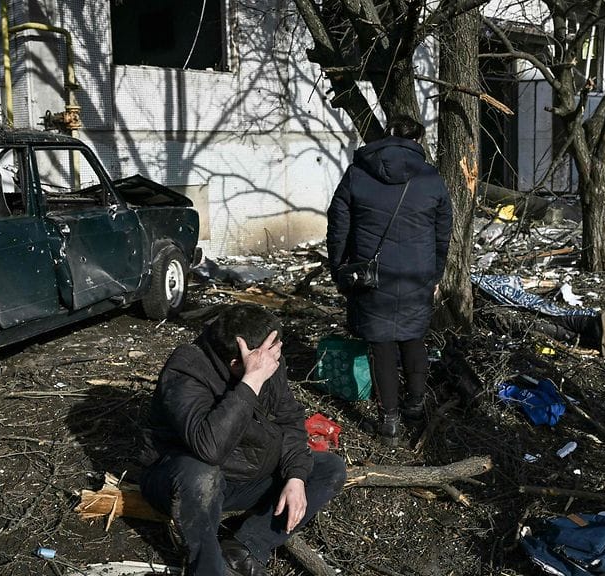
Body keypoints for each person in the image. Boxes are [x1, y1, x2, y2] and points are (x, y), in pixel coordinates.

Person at [139, 304, 347, 576]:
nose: (273, 364)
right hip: (182, 481)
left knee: (329, 468)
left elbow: (290, 419)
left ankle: (244, 548)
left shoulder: (269, 358)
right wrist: (251, 382)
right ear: (238, 362)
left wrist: (296, 477)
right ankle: (207, 568)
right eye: (265, 361)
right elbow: (209, 448)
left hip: (244, 475)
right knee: (201, 474)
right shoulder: (186, 369)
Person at [326, 115, 453, 445]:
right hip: (416, 274)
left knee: (381, 345)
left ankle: (390, 424)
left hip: (372, 276)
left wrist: (339, 268)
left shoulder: (358, 172)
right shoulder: (430, 177)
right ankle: (414, 404)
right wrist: (435, 273)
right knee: (413, 338)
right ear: (417, 140)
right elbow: (443, 233)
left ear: (386, 136)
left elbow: (338, 225)